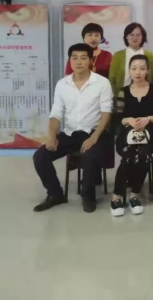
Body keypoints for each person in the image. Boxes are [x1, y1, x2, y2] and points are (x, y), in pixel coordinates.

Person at [33, 43, 113, 213]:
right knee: (40, 156)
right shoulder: (62, 84)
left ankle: (88, 196)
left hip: (93, 132)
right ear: (70, 61)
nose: (78, 62)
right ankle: (55, 194)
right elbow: (56, 114)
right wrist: (52, 137)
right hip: (69, 134)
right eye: (74, 58)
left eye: (83, 58)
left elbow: (106, 113)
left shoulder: (102, 83)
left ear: (91, 61)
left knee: (90, 156)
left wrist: (94, 138)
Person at [110, 54, 153, 217]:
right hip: (126, 135)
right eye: (134, 68)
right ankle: (117, 195)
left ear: (147, 70)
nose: (138, 72)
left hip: (148, 135)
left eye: (142, 68)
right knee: (128, 157)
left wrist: (148, 119)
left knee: (143, 156)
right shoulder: (123, 92)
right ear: (129, 71)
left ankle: (135, 194)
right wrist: (130, 121)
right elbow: (118, 117)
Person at [108, 22, 153, 97]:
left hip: (146, 95)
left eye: (138, 35)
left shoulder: (151, 56)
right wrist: (116, 95)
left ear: (143, 37)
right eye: (131, 35)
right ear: (126, 37)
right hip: (122, 95)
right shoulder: (118, 56)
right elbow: (112, 79)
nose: (134, 38)